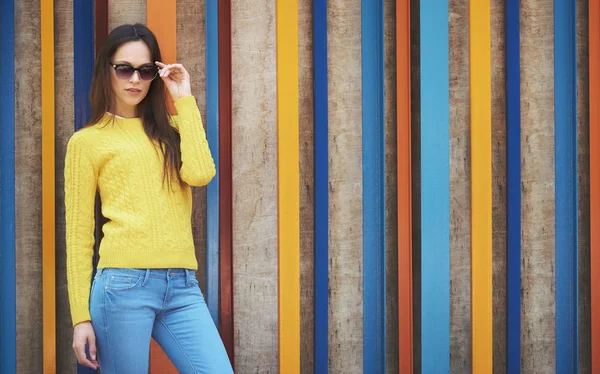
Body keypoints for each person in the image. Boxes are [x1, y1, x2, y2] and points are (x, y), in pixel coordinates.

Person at [64, 23, 233, 373]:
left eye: (145, 70)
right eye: (124, 69)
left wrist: (183, 97)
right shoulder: (87, 141)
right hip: (122, 287)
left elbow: (200, 174)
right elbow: (79, 235)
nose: (135, 80)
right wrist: (80, 317)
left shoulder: (172, 128)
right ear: (106, 70)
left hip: (182, 285)